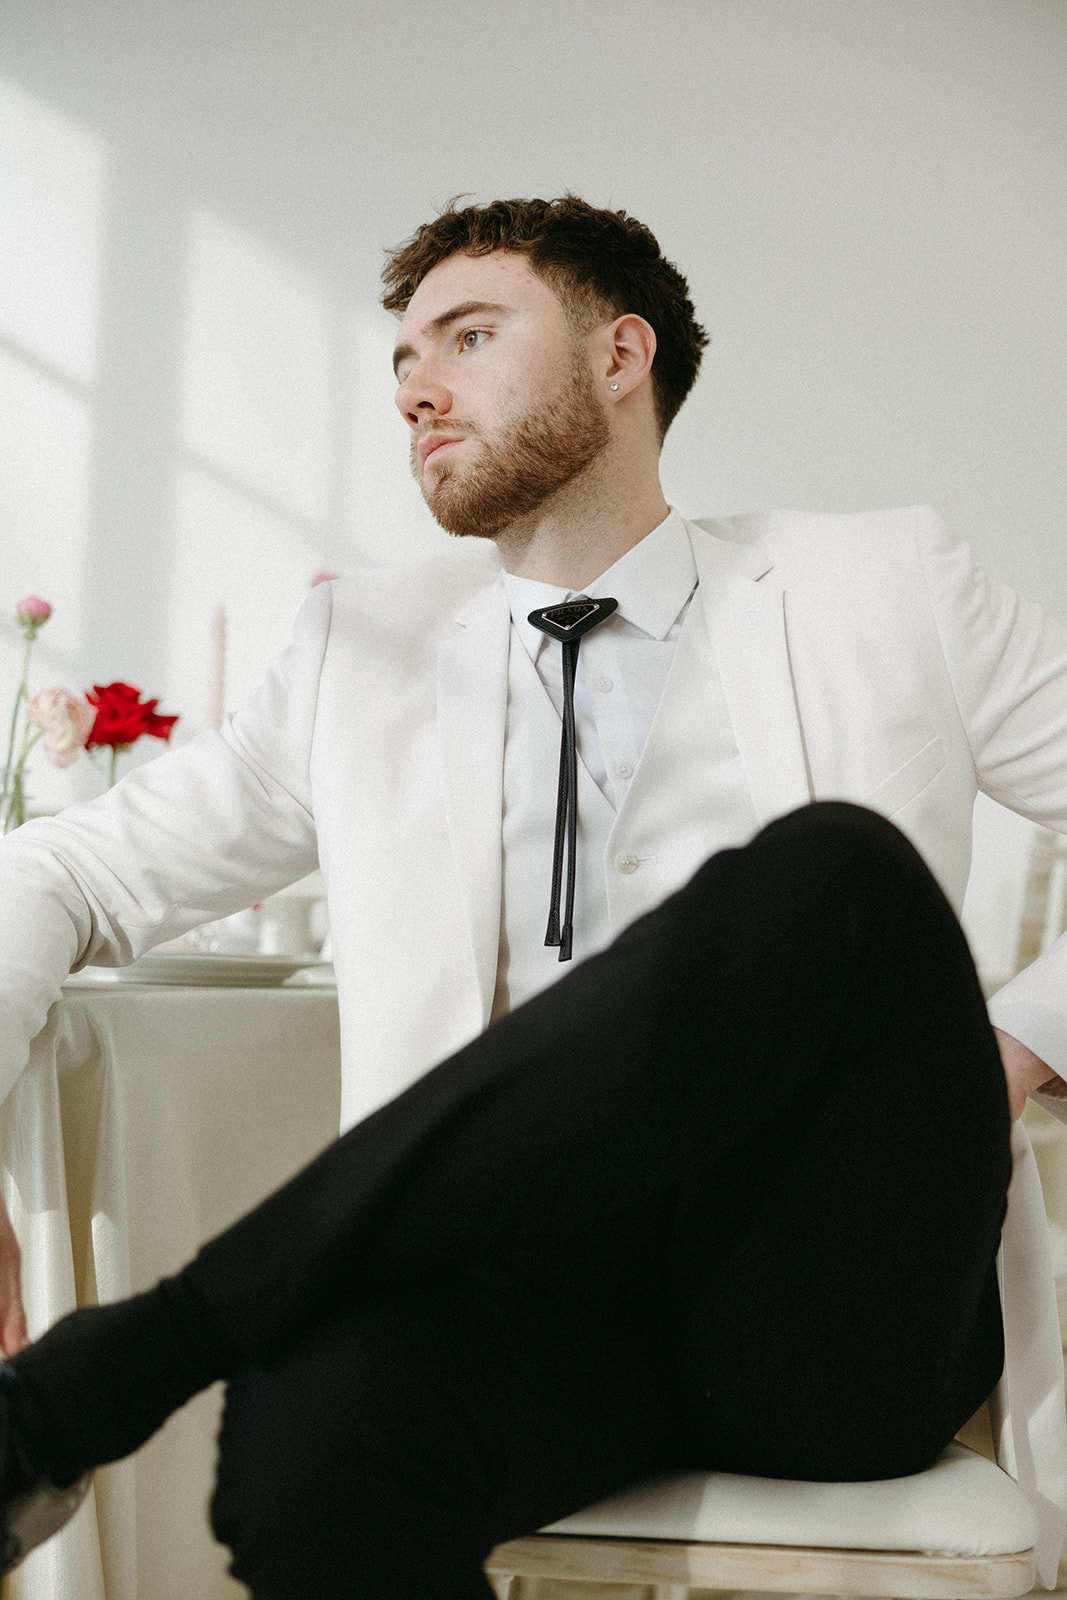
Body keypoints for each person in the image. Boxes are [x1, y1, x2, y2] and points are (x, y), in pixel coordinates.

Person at [0, 196, 1066, 1598]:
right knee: (308, 1440)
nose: (416, 389)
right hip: (522, 1296)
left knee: (837, 870)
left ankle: (121, 1366)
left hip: (826, 1286)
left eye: (469, 336)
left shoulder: (887, 581)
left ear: (620, 355)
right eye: (400, 363)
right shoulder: (354, 648)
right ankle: (157, 1366)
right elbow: (64, 864)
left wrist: (1015, 1042)